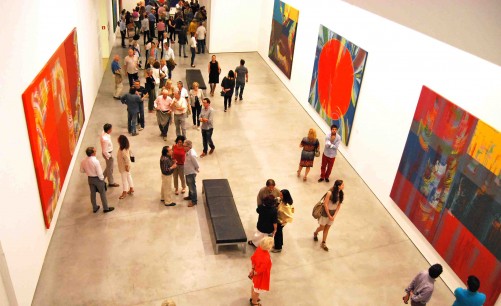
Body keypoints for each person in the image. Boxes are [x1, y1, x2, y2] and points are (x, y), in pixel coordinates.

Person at [80, 147, 115, 213]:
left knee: (92, 193)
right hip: (97, 179)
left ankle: (94, 207)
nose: (96, 152)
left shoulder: (83, 161)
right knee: (102, 193)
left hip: (90, 179)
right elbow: (99, 172)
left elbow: (81, 170)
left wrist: (88, 171)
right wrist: (102, 180)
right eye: (95, 151)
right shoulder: (95, 161)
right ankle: (106, 208)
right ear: (93, 153)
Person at [313, 179, 344, 251]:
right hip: (325, 212)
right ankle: (316, 232)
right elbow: (325, 204)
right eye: (342, 185)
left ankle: (323, 243)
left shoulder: (341, 194)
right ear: (338, 186)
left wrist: (334, 216)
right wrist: (329, 215)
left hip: (333, 213)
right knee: (322, 227)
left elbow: (338, 206)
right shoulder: (330, 193)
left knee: (327, 228)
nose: (343, 186)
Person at [248, 237, 273, 306]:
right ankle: (254, 302)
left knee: (254, 286)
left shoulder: (259, 248)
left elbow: (253, 258)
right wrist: (256, 272)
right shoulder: (266, 258)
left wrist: (253, 270)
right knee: (257, 290)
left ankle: (253, 298)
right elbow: (262, 270)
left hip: (255, 272)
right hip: (261, 277)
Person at [100, 123, 119, 188]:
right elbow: (105, 151)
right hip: (108, 154)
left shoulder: (104, 133)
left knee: (108, 168)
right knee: (110, 169)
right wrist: (109, 156)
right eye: (111, 129)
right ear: (108, 130)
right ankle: (111, 182)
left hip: (108, 153)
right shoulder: (105, 140)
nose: (111, 130)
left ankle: (101, 179)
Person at [117, 135, 134, 199]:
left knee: (124, 180)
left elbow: (127, 159)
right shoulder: (125, 147)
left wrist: (127, 167)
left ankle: (124, 192)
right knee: (129, 176)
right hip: (125, 166)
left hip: (124, 167)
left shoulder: (123, 151)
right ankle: (131, 188)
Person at [183, 140, 199, 207]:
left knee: (192, 187)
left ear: (189, 147)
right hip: (187, 171)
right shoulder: (187, 152)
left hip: (191, 172)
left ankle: (194, 201)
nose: (183, 147)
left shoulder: (192, 154)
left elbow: (196, 164)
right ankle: (190, 196)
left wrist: (196, 169)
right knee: (189, 185)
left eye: (184, 146)